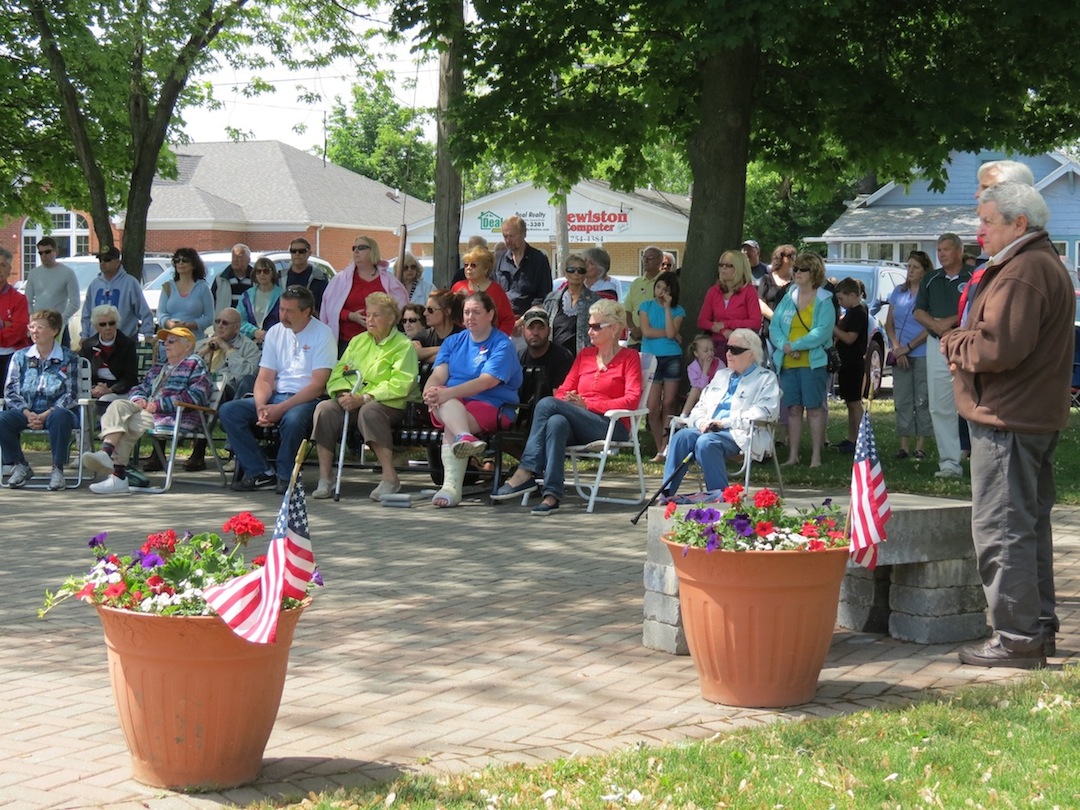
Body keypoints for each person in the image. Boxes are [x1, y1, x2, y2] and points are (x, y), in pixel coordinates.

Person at [942, 181, 1074, 669]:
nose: (979, 233)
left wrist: (955, 342)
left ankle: (1017, 640)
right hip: (1028, 417)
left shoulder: (1023, 271)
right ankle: (1035, 631)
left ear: (1019, 224)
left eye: (987, 222)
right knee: (1027, 527)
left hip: (1009, 419)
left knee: (1002, 530)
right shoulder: (1038, 264)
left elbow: (998, 349)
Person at [491, 299, 642, 515]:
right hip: (579, 422)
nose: (590, 331)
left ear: (615, 328)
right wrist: (570, 399)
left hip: (610, 424)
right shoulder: (585, 356)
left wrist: (587, 404)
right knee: (556, 421)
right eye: (589, 325)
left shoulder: (630, 358)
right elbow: (562, 391)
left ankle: (526, 470)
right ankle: (552, 495)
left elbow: (632, 399)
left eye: (596, 326)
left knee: (546, 404)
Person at [219, 285, 336, 494]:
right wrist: (261, 406)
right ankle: (261, 473)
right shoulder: (275, 332)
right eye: (281, 309)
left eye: (290, 311)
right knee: (229, 411)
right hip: (275, 396)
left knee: (292, 419)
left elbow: (318, 385)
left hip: (306, 399)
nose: (283, 315)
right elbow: (264, 378)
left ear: (306, 311)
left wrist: (280, 408)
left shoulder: (323, 334)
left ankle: (285, 475)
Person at [310, 292, 419, 501]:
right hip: (353, 399)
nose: (370, 319)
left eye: (376, 315)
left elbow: (402, 383)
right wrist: (342, 393)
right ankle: (326, 477)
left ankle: (390, 477)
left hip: (388, 404)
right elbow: (339, 372)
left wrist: (366, 397)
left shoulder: (403, 345)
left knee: (370, 412)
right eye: (368, 315)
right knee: (324, 409)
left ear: (391, 318)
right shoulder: (358, 341)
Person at [80, 326, 212, 495]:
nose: (166, 345)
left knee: (128, 422)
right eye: (164, 342)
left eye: (172, 341)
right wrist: (138, 399)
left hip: (171, 415)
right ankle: (106, 453)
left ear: (187, 346)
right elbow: (140, 387)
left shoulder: (194, 363)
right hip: (147, 409)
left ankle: (117, 475)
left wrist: (160, 405)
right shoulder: (160, 367)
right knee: (118, 405)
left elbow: (196, 396)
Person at [422, 292, 522, 508]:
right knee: (444, 402)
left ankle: (451, 486)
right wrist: (430, 390)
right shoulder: (453, 342)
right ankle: (465, 438)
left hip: (493, 405)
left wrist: (447, 393)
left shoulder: (501, 344)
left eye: (476, 312)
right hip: (453, 404)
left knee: (450, 416)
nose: (470, 317)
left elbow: (487, 382)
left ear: (490, 314)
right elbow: (439, 374)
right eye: (467, 312)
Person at [661, 329, 780, 496]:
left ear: (752, 354)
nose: (729, 354)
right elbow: (700, 407)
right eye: (727, 348)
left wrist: (724, 423)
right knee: (682, 437)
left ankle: (720, 497)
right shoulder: (721, 375)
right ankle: (665, 494)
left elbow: (765, 412)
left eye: (735, 350)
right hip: (709, 429)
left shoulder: (766, 378)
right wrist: (701, 422)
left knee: (706, 442)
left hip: (740, 433)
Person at [769, 252, 836, 468]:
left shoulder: (825, 299)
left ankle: (816, 456)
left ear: (814, 272)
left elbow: (822, 332)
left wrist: (795, 346)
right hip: (788, 363)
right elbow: (775, 326)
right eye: (795, 269)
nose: (796, 272)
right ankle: (793, 456)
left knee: (814, 409)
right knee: (793, 410)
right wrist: (785, 347)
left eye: (801, 269)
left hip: (813, 363)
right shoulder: (788, 296)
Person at [0, 310, 80, 491]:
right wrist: (27, 413)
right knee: (1, 419)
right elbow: (10, 390)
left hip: (55, 412)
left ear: (54, 331)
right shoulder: (20, 357)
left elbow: (72, 394)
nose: (34, 331)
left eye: (40, 327)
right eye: (32, 327)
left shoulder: (69, 358)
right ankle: (20, 465)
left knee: (62, 416)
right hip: (26, 410)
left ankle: (57, 470)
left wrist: (45, 415)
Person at [913, 233, 972, 478]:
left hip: (967, 345)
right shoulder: (931, 279)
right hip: (937, 346)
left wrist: (948, 322)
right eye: (939, 250)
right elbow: (918, 311)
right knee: (940, 405)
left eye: (947, 249)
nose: (942, 254)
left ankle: (980, 460)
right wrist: (937, 327)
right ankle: (949, 463)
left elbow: (975, 309)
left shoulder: (972, 279)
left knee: (972, 403)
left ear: (959, 251)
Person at [184, 307, 261, 471]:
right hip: (200, 391)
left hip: (232, 394)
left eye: (225, 323)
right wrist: (204, 351)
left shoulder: (249, 348)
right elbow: (185, 370)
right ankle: (195, 452)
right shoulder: (202, 344)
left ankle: (229, 452)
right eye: (217, 321)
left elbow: (245, 376)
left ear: (237, 327)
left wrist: (227, 349)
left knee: (220, 390)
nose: (219, 326)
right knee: (202, 390)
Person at [320, 235, 409, 354]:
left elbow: (400, 309)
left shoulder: (389, 280)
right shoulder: (341, 280)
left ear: (373, 251)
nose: (356, 251)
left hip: (381, 343)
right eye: (354, 248)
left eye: (361, 247)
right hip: (347, 343)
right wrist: (350, 316)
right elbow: (328, 309)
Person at [885, 251, 932, 460]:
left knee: (922, 400)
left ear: (924, 271)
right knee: (902, 399)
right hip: (900, 352)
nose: (910, 271)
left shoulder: (929, 294)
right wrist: (897, 348)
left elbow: (931, 326)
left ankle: (921, 446)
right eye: (909, 266)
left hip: (921, 352)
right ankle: (904, 445)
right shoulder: (898, 292)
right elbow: (889, 323)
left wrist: (909, 347)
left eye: (916, 267)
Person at [639, 271, 685, 461]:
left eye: (665, 290)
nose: (660, 292)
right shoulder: (645, 306)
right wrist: (672, 334)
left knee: (668, 403)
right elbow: (647, 331)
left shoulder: (678, 310)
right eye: (658, 287)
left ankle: (666, 447)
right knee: (652, 406)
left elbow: (669, 332)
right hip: (651, 358)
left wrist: (667, 309)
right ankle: (659, 447)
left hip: (672, 357)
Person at [697, 250, 763, 361]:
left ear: (739, 268)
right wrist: (722, 330)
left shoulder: (749, 291)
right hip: (716, 347)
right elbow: (702, 321)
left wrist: (726, 324)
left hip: (742, 347)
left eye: (728, 265)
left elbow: (755, 322)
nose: (723, 268)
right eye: (721, 265)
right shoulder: (714, 291)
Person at [80, 246, 154, 341]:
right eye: (100, 260)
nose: (103, 263)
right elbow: (86, 314)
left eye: (107, 260)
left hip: (125, 342)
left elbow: (144, 312)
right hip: (96, 342)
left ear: (117, 262)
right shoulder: (95, 285)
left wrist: (148, 335)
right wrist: (84, 336)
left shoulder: (130, 283)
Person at [493, 215, 553, 327]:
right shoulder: (500, 260)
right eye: (505, 236)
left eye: (511, 236)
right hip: (502, 322)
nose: (507, 240)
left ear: (523, 234)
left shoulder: (539, 259)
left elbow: (544, 296)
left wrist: (521, 322)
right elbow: (494, 292)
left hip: (529, 323)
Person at [79, 304, 139, 415]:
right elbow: (81, 373)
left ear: (117, 324)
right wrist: (92, 388)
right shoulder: (88, 345)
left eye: (111, 323)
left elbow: (130, 377)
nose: (108, 327)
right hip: (94, 388)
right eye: (103, 324)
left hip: (119, 389)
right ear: (96, 327)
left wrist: (110, 390)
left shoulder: (127, 344)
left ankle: (101, 428)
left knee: (105, 400)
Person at [831, 277, 869, 454]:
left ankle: (862, 440)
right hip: (846, 363)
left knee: (855, 403)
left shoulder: (859, 312)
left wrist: (833, 328)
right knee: (849, 402)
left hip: (854, 363)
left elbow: (850, 338)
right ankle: (852, 438)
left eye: (841, 299)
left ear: (853, 295)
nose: (840, 303)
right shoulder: (851, 312)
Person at [24, 237, 79, 348]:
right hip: (38, 327)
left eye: (48, 252)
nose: (44, 255)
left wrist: (59, 320)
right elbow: (27, 300)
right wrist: (34, 319)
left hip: (59, 328)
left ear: (56, 252)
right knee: (36, 359)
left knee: (62, 361)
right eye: (41, 253)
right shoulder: (34, 273)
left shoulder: (67, 273)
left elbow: (75, 302)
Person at [542, 254, 599, 356]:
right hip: (554, 357)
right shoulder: (552, 299)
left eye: (581, 270)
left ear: (585, 274)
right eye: (571, 269)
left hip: (584, 358)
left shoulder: (595, 301)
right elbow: (544, 328)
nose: (576, 273)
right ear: (565, 272)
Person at [451, 246, 516, 336]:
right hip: (462, 341)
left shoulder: (496, 290)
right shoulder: (457, 287)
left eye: (473, 265)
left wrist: (497, 339)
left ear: (485, 269)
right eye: (466, 265)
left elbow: (508, 320)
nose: (468, 268)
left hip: (490, 341)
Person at [518, 307, 574, 405]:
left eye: (540, 328)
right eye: (531, 328)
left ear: (549, 330)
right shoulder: (518, 356)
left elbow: (560, 398)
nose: (535, 333)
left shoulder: (563, 357)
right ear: (523, 330)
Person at [157, 248, 216, 336]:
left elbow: (209, 317)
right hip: (171, 339)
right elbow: (160, 313)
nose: (180, 263)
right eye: (177, 260)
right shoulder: (168, 286)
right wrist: (169, 323)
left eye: (185, 260)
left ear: (194, 265)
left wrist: (191, 325)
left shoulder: (203, 288)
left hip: (194, 340)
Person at [623, 246, 664, 349]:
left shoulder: (665, 282)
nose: (645, 261)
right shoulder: (636, 283)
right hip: (635, 340)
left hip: (656, 340)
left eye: (649, 258)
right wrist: (633, 328)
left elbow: (665, 311)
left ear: (660, 260)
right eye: (643, 258)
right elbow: (627, 310)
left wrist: (644, 330)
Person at [0, 247, 30, 385]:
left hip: (10, 358)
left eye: (3, 265)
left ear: (9, 269)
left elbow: (19, 331)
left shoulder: (19, 299)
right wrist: (4, 324)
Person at [282, 237, 331, 316]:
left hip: (311, 322)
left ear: (309, 253)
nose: (297, 254)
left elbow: (325, 306)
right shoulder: (281, 277)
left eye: (301, 251)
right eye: (293, 251)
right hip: (286, 322)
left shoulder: (319, 278)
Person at [758, 244, 796, 346]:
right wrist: (776, 318)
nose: (793, 259)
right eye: (789, 256)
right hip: (770, 330)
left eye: (794, 256)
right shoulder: (767, 279)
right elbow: (760, 303)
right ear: (780, 258)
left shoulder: (796, 282)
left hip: (790, 331)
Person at [238, 257, 282, 344]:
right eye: (258, 271)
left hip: (276, 342)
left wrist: (267, 334)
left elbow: (286, 321)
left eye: (266, 271)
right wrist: (254, 331)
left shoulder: (283, 295)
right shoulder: (246, 296)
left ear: (272, 273)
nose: (262, 274)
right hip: (250, 344)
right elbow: (239, 320)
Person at [413, 290, 463, 363]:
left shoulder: (462, 336)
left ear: (447, 311)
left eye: (430, 310)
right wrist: (444, 348)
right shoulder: (425, 335)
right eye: (425, 309)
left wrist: (424, 357)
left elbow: (455, 357)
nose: (425, 313)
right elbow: (413, 353)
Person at [680, 334, 720, 419]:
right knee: (694, 390)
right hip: (700, 393)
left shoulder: (719, 363)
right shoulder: (692, 368)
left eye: (712, 350)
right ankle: (683, 416)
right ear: (696, 353)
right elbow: (700, 387)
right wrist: (705, 370)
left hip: (715, 394)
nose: (710, 353)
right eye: (706, 351)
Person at [212, 244, 256, 314]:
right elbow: (212, 303)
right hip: (226, 322)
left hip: (249, 322)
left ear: (248, 259)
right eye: (233, 256)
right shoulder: (221, 279)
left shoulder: (256, 279)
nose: (235, 260)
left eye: (239, 257)